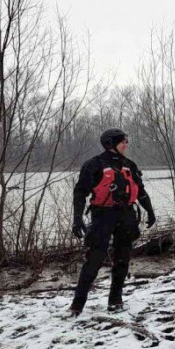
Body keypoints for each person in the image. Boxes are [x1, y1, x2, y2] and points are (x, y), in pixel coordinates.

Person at [69, 129, 156, 316]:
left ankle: (115, 301)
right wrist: (77, 219)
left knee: (123, 259)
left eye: (127, 140)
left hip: (126, 215)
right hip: (103, 216)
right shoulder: (94, 164)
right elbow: (80, 192)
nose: (126, 144)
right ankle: (77, 305)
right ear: (110, 143)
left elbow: (140, 191)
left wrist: (150, 210)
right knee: (94, 260)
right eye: (122, 141)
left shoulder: (129, 165)